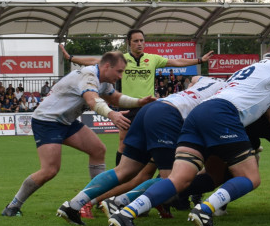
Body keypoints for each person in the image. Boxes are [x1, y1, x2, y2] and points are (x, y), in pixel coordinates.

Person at [108, 46, 270, 226]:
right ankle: (205, 209)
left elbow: (263, 101)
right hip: (223, 115)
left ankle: (126, 214)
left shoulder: (250, 69)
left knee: (179, 179)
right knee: (251, 177)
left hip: (198, 114)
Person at [56, 75, 225, 226]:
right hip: (169, 116)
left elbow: (194, 78)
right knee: (174, 180)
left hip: (152, 109)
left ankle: (73, 205)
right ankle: (120, 202)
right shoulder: (230, 89)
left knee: (124, 170)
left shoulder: (208, 80)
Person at [1, 51, 154, 216]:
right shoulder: (88, 76)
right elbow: (92, 100)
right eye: (119, 71)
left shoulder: (103, 81)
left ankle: (96, 197)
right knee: (50, 170)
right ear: (107, 66)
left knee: (98, 150)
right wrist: (112, 114)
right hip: (47, 121)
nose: (121, 75)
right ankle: (13, 206)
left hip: (66, 122)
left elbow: (115, 98)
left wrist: (138, 102)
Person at [61, 30, 213, 165]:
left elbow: (177, 62)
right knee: (123, 143)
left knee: (157, 141)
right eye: (136, 41)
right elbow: (96, 62)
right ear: (129, 43)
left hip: (149, 107)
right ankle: (119, 178)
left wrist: (199, 60)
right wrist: (71, 58)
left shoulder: (153, 59)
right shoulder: (122, 59)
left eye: (142, 40)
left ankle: (155, 174)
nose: (139, 44)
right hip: (128, 106)